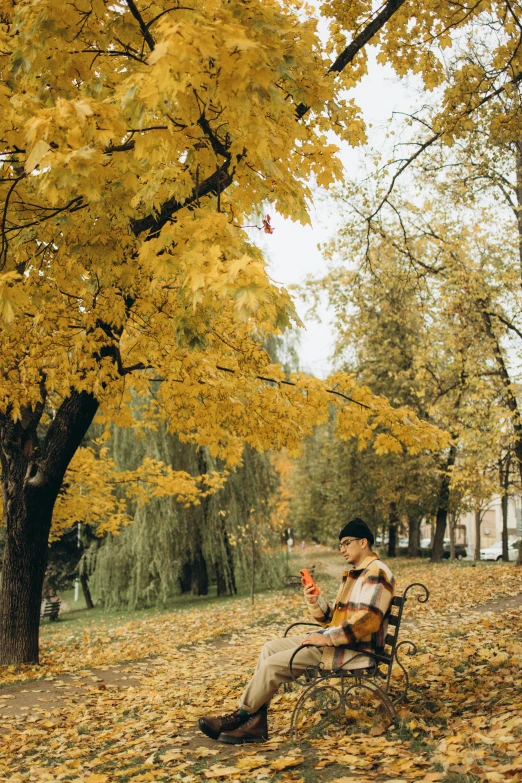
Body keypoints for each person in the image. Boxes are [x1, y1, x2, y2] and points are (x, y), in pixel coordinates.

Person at [197, 517, 395, 744]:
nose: (342, 549)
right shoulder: (357, 573)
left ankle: (238, 718)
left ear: (363, 542)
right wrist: (315, 601)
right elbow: (333, 620)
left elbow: (368, 621)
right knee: (269, 649)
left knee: (272, 666)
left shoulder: (376, 572)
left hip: (354, 650)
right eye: (340, 544)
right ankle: (256, 723)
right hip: (338, 642)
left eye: (346, 543)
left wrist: (326, 638)